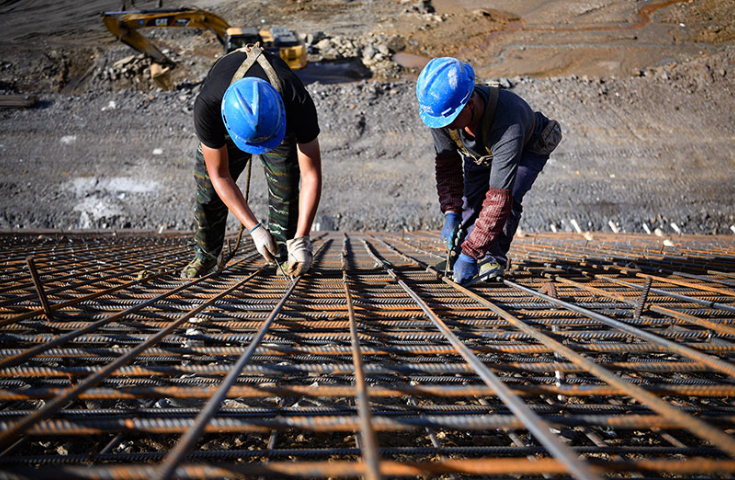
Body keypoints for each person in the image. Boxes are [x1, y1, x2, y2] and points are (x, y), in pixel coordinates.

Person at [416, 57, 562, 285]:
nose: (444, 128)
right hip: (482, 150)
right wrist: (451, 212)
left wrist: (471, 253)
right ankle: (462, 251)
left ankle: (491, 257)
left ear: (470, 105)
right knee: (471, 201)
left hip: (527, 146)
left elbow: (499, 199)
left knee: (509, 198)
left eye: (450, 121)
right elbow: (447, 166)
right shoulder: (443, 115)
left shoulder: (507, 122)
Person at [181, 44, 322, 278]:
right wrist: (255, 229)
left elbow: (311, 175)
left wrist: (303, 238)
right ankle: (206, 256)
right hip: (231, 125)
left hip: (278, 126)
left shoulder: (295, 100)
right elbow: (219, 175)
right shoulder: (209, 106)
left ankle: (284, 255)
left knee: (285, 189)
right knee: (208, 189)